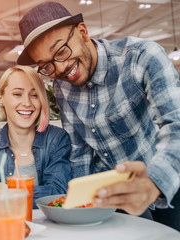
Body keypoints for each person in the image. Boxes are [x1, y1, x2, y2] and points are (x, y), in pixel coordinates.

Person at [17, 1, 180, 229]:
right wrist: (80, 206)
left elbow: (177, 124)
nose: (60, 69)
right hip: (111, 196)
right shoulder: (61, 87)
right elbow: (79, 151)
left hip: (166, 177)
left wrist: (154, 182)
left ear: (83, 32)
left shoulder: (141, 56)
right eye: (46, 65)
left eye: (61, 51)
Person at [0, 65, 71, 212]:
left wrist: (5, 191)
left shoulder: (57, 139)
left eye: (35, 94)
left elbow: (57, 193)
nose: (27, 103)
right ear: (1, 98)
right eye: (17, 94)